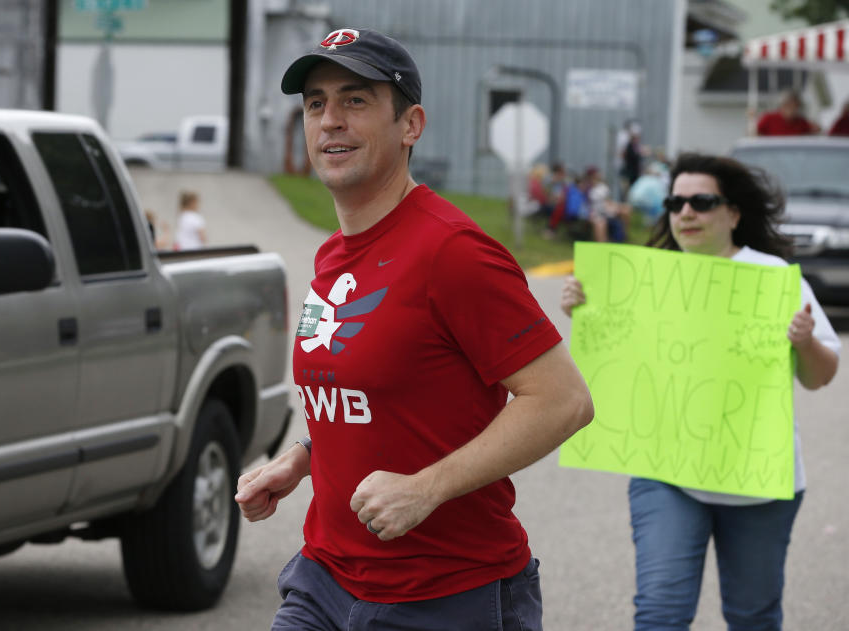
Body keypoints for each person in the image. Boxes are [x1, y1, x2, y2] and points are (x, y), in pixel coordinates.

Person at [235, 27, 594, 630]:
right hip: (325, 579)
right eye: (316, 103)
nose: (330, 121)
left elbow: (564, 401)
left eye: (355, 100)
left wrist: (426, 487)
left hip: (446, 593)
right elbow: (384, 395)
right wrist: (301, 458)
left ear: (411, 125)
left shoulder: (454, 253)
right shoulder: (332, 256)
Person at [561, 153, 841, 631]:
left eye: (701, 201)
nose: (685, 212)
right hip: (665, 474)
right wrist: (587, 315)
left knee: (753, 616)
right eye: (676, 202)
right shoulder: (641, 279)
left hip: (759, 483)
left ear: (732, 213)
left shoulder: (772, 277)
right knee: (660, 615)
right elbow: (617, 365)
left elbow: (820, 376)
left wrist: (804, 342)